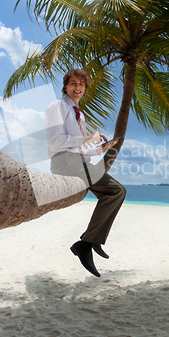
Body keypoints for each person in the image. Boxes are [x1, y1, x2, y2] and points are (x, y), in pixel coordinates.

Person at [45, 68, 126, 278]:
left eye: (81, 85)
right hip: (64, 162)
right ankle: (87, 242)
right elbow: (55, 141)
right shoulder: (58, 106)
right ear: (65, 86)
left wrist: (100, 149)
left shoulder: (79, 115)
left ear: (85, 88)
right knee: (117, 191)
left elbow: (80, 148)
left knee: (114, 193)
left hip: (77, 160)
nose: (77, 88)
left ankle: (92, 240)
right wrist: (86, 139)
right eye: (73, 83)